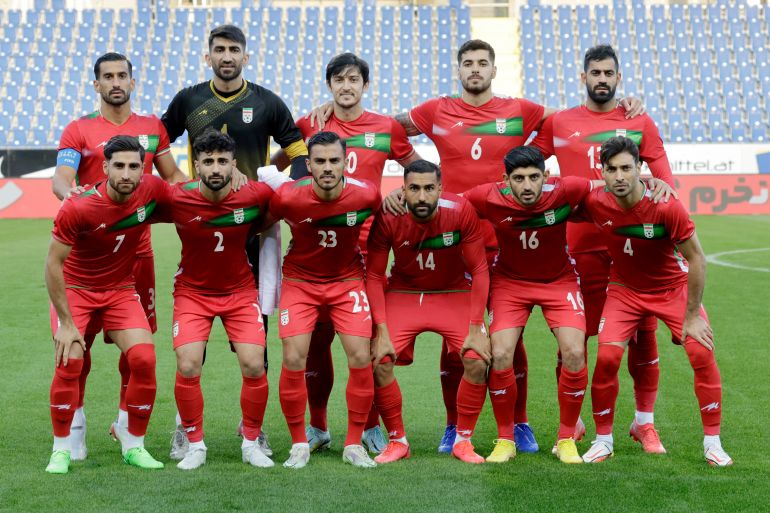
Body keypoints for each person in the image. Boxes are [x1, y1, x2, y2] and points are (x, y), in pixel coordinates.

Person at [161, 24, 306, 458]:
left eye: (234, 50)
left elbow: (298, 152)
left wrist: (274, 188)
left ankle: (253, 431)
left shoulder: (266, 101)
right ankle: (184, 429)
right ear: (208, 57)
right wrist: (181, 182)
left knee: (255, 336)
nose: (227, 56)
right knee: (193, 345)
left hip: (254, 229)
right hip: (204, 221)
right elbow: (157, 143)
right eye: (220, 50)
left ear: (246, 56)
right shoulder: (190, 99)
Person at [531, 44, 676, 453]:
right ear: (583, 77)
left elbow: (664, 178)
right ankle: (573, 422)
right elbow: (526, 166)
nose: (601, 79)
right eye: (594, 73)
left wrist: (663, 190)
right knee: (575, 337)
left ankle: (643, 423)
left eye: (608, 73)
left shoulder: (639, 120)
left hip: (636, 247)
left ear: (618, 77)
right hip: (581, 246)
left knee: (643, 336)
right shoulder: (559, 122)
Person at [274, 52, 420, 454]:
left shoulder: (386, 127)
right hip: (314, 252)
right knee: (314, 347)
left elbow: (418, 169)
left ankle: (370, 426)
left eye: (353, 79)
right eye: (338, 79)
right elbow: (278, 166)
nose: (346, 86)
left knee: (367, 346)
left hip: (367, 252)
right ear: (329, 85)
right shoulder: (310, 124)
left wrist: (402, 194)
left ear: (365, 85)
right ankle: (318, 427)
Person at [53, 52, 186, 461]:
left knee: (138, 353)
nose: (115, 82)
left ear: (132, 81)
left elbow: (173, 179)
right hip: (86, 251)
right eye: (107, 76)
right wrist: (70, 196)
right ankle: (74, 431)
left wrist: (208, 195)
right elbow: (63, 176)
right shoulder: (79, 129)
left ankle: (126, 428)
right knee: (79, 349)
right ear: (96, 84)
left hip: (136, 257)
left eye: (121, 75)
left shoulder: (152, 129)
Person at [579, 136, 732, 467]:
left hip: (671, 288)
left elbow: (698, 260)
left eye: (626, 168)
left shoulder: (666, 205)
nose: (619, 176)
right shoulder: (594, 201)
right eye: (611, 170)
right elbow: (559, 191)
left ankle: (713, 444)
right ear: (602, 172)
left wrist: (692, 316)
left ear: (640, 168)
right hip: (624, 290)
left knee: (700, 350)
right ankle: (603, 440)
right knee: (606, 357)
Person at [45, 135, 170, 473]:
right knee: (70, 360)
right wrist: (67, 323)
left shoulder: (151, 191)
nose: (127, 174)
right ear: (104, 167)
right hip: (77, 289)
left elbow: (193, 196)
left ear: (143, 170)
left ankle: (133, 443)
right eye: (119, 166)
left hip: (119, 289)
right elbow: (52, 265)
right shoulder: (78, 205)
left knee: (144, 358)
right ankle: (61, 448)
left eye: (134, 167)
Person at [152, 129, 274, 470]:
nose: (216, 168)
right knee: (188, 364)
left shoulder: (254, 194)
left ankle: (251, 442)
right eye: (208, 161)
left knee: (253, 363)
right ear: (196, 166)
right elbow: (137, 204)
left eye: (223, 161)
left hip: (239, 292)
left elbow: (285, 202)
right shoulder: (177, 197)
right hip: (192, 293)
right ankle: (195, 445)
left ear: (234, 164)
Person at [461, 146, 592, 464]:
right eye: (519, 178)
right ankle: (505, 439)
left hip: (559, 281)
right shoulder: (488, 196)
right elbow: (453, 206)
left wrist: (651, 182)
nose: (528, 185)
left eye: (535, 177)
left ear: (547, 176)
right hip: (510, 283)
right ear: (505, 179)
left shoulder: (567, 189)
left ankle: (566, 439)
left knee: (574, 351)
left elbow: (604, 188)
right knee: (502, 352)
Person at [365, 159, 490, 464]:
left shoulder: (460, 211)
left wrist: (476, 326)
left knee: (477, 358)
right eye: (415, 189)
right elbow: (374, 275)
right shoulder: (389, 216)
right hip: (404, 294)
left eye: (429, 189)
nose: (422, 197)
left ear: (440, 188)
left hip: (453, 292)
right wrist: (380, 330)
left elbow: (480, 268)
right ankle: (398, 441)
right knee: (379, 358)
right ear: (402, 189)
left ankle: (463, 441)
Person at [269, 131, 381, 469]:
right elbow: (262, 225)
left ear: (345, 161)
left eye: (334, 160)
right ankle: (299, 443)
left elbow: (384, 232)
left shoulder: (366, 195)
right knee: (293, 356)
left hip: (347, 283)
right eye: (320, 161)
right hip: (300, 283)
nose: (328, 167)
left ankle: (353, 444)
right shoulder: (288, 197)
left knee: (361, 355)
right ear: (308, 164)